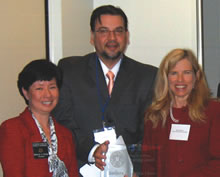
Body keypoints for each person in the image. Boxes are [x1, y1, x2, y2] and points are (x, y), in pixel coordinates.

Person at [52, 4, 157, 175]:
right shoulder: (70, 70)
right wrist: (91, 150)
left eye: (118, 31)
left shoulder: (148, 76)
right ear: (92, 37)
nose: (112, 37)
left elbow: (150, 133)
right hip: (82, 169)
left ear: (127, 36)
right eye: (103, 31)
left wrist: (138, 171)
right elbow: (63, 123)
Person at [142, 48, 220, 177]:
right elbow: (148, 166)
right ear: (166, 78)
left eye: (187, 72)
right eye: (173, 73)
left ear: (197, 76)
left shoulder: (214, 111)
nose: (180, 79)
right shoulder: (154, 116)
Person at [0, 60, 79, 177]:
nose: (47, 94)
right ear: (26, 92)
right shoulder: (12, 129)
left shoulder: (65, 133)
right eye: (39, 88)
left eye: (52, 87)